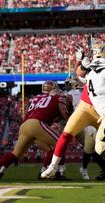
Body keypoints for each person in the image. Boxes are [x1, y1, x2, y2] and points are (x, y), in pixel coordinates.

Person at [0, 81, 69, 180]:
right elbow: (63, 113)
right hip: (37, 124)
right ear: (53, 90)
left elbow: (46, 112)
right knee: (61, 144)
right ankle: (58, 172)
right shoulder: (57, 97)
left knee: (15, 153)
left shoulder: (36, 98)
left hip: (24, 126)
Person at [41, 45, 104, 179]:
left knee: (94, 147)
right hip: (85, 108)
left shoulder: (94, 67)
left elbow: (81, 73)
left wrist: (82, 60)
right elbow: (80, 72)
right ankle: (53, 167)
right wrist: (81, 60)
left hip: (100, 111)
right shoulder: (90, 69)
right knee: (66, 135)